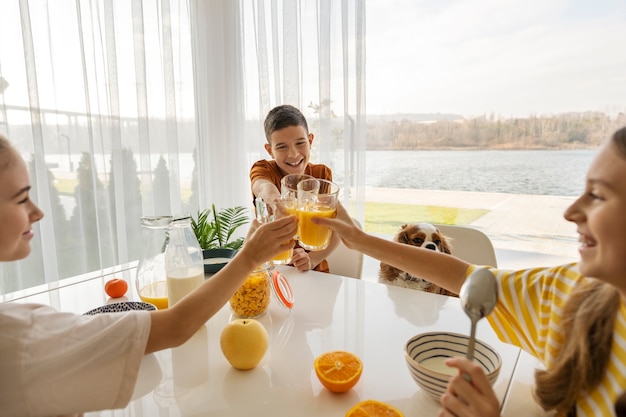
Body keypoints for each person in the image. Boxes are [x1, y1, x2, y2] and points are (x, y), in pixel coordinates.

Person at [313, 127, 626, 417]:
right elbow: (467, 279)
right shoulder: (570, 292)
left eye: (597, 195)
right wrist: (362, 241)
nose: (570, 212)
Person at [0, 134, 298, 417]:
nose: (38, 212)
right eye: (21, 198)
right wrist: (248, 258)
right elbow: (175, 326)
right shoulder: (19, 338)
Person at [250, 104, 339, 273]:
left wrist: (312, 259)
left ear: (310, 141)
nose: (293, 154)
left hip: (313, 273)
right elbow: (263, 187)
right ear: (269, 150)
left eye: (300, 143)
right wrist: (276, 201)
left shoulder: (322, 174)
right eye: (282, 147)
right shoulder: (263, 169)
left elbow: (336, 230)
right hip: (273, 272)